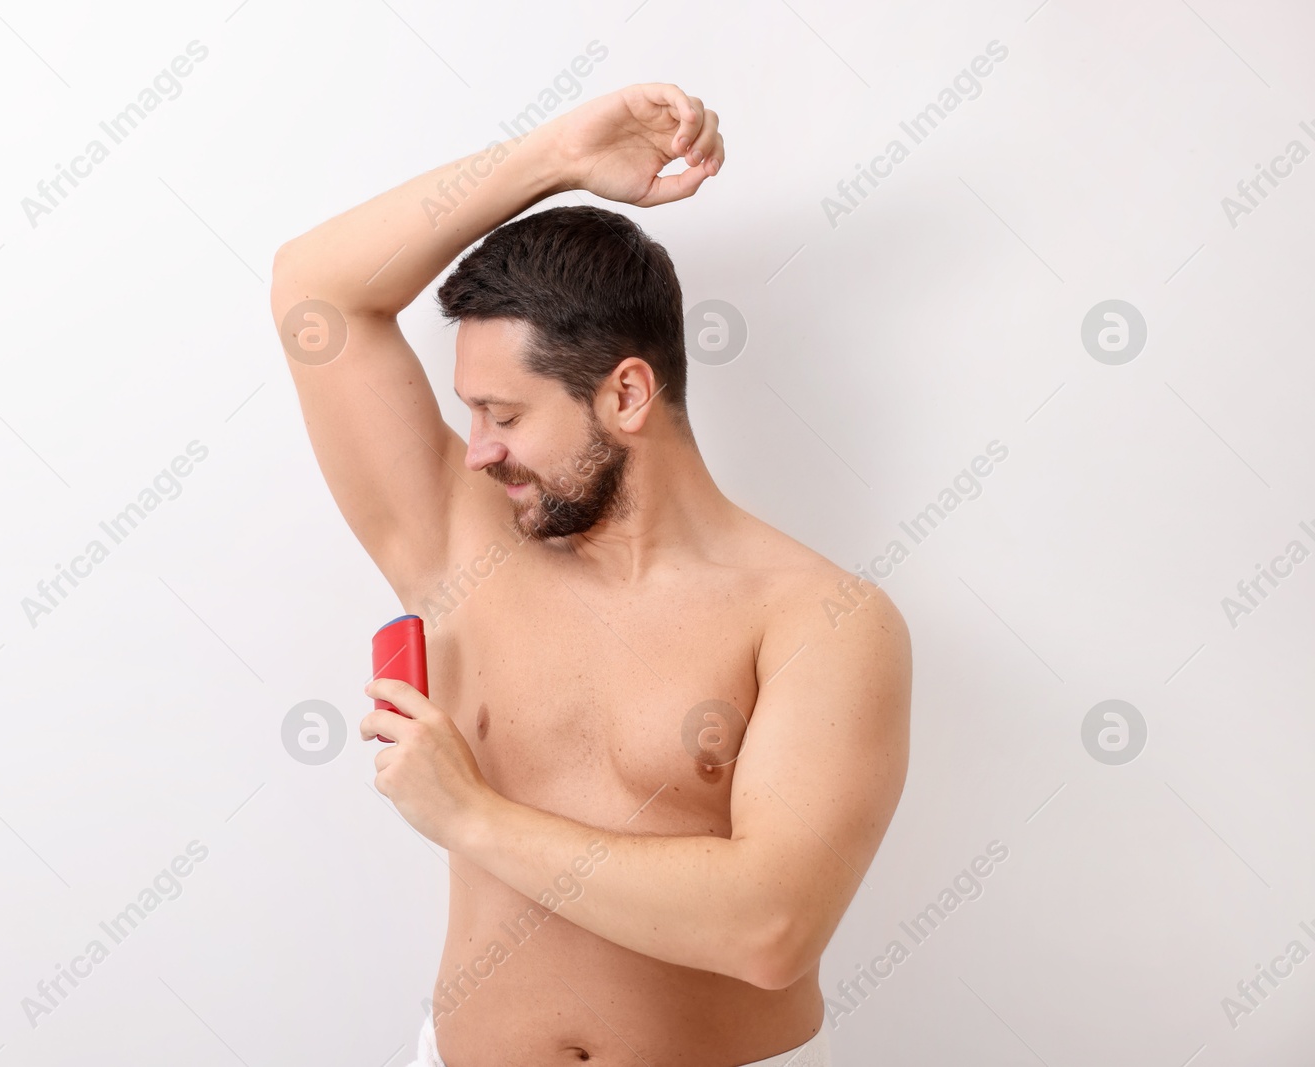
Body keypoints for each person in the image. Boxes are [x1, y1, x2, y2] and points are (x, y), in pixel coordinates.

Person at [272, 82, 910, 1067]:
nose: (475, 449)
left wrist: (470, 815)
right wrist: (554, 157)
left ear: (624, 393)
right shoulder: (459, 545)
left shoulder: (819, 618)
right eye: (468, 411)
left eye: (505, 414)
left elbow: (769, 926)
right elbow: (314, 291)